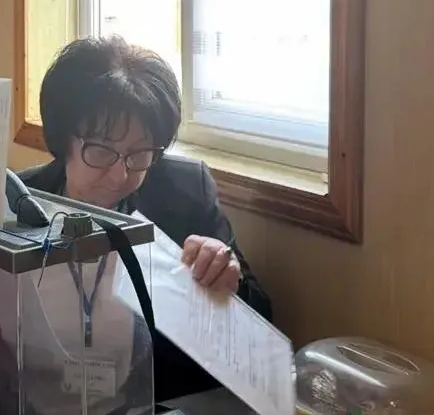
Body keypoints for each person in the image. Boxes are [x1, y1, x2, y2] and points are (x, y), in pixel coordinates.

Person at [16, 35, 273, 403]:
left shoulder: (185, 193)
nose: (120, 175)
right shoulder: (20, 203)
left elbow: (260, 322)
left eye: (139, 154)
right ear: (62, 140)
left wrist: (228, 278)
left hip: (156, 400)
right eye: (101, 151)